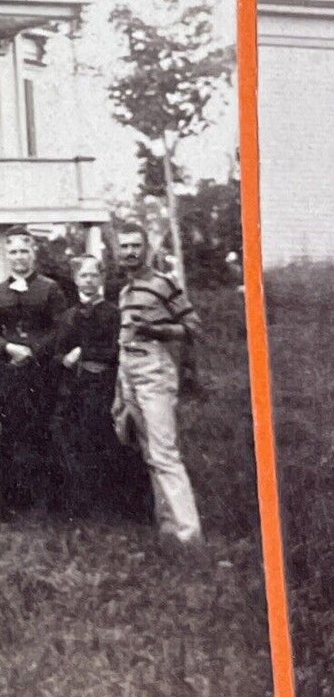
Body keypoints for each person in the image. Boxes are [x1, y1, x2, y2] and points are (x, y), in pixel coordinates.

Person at [113, 222, 204, 545]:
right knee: (150, 451)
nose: (130, 252)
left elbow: (193, 326)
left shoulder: (162, 283)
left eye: (135, 245)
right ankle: (168, 528)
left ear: (146, 247)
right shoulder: (124, 292)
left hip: (154, 367)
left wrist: (157, 330)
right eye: (123, 246)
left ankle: (189, 534)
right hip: (129, 369)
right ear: (117, 250)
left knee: (165, 452)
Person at [51, 254, 152, 523]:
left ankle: (121, 507)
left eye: (94, 275)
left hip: (103, 387)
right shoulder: (68, 316)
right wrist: (65, 358)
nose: (89, 280)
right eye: (83, 275)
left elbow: (115, 350)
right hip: (74, 389)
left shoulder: (112, 313)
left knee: (108, 442)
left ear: (101, 279)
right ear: (75, 280)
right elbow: (57, 352)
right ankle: (83, 507)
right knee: (76, 443)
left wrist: (84, 351)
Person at [0, 225, 68, 515]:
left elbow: (61, 329)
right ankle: (11, 500)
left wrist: (33, 351)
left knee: (40, 431)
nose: (18, 257)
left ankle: (43, 502)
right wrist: (7, 348)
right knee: (7, 433)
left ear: (33, 252)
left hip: (40, 372)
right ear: (7, 255)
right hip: (6, 372)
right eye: (13, 251)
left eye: (24, 250)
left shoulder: (49, 288)